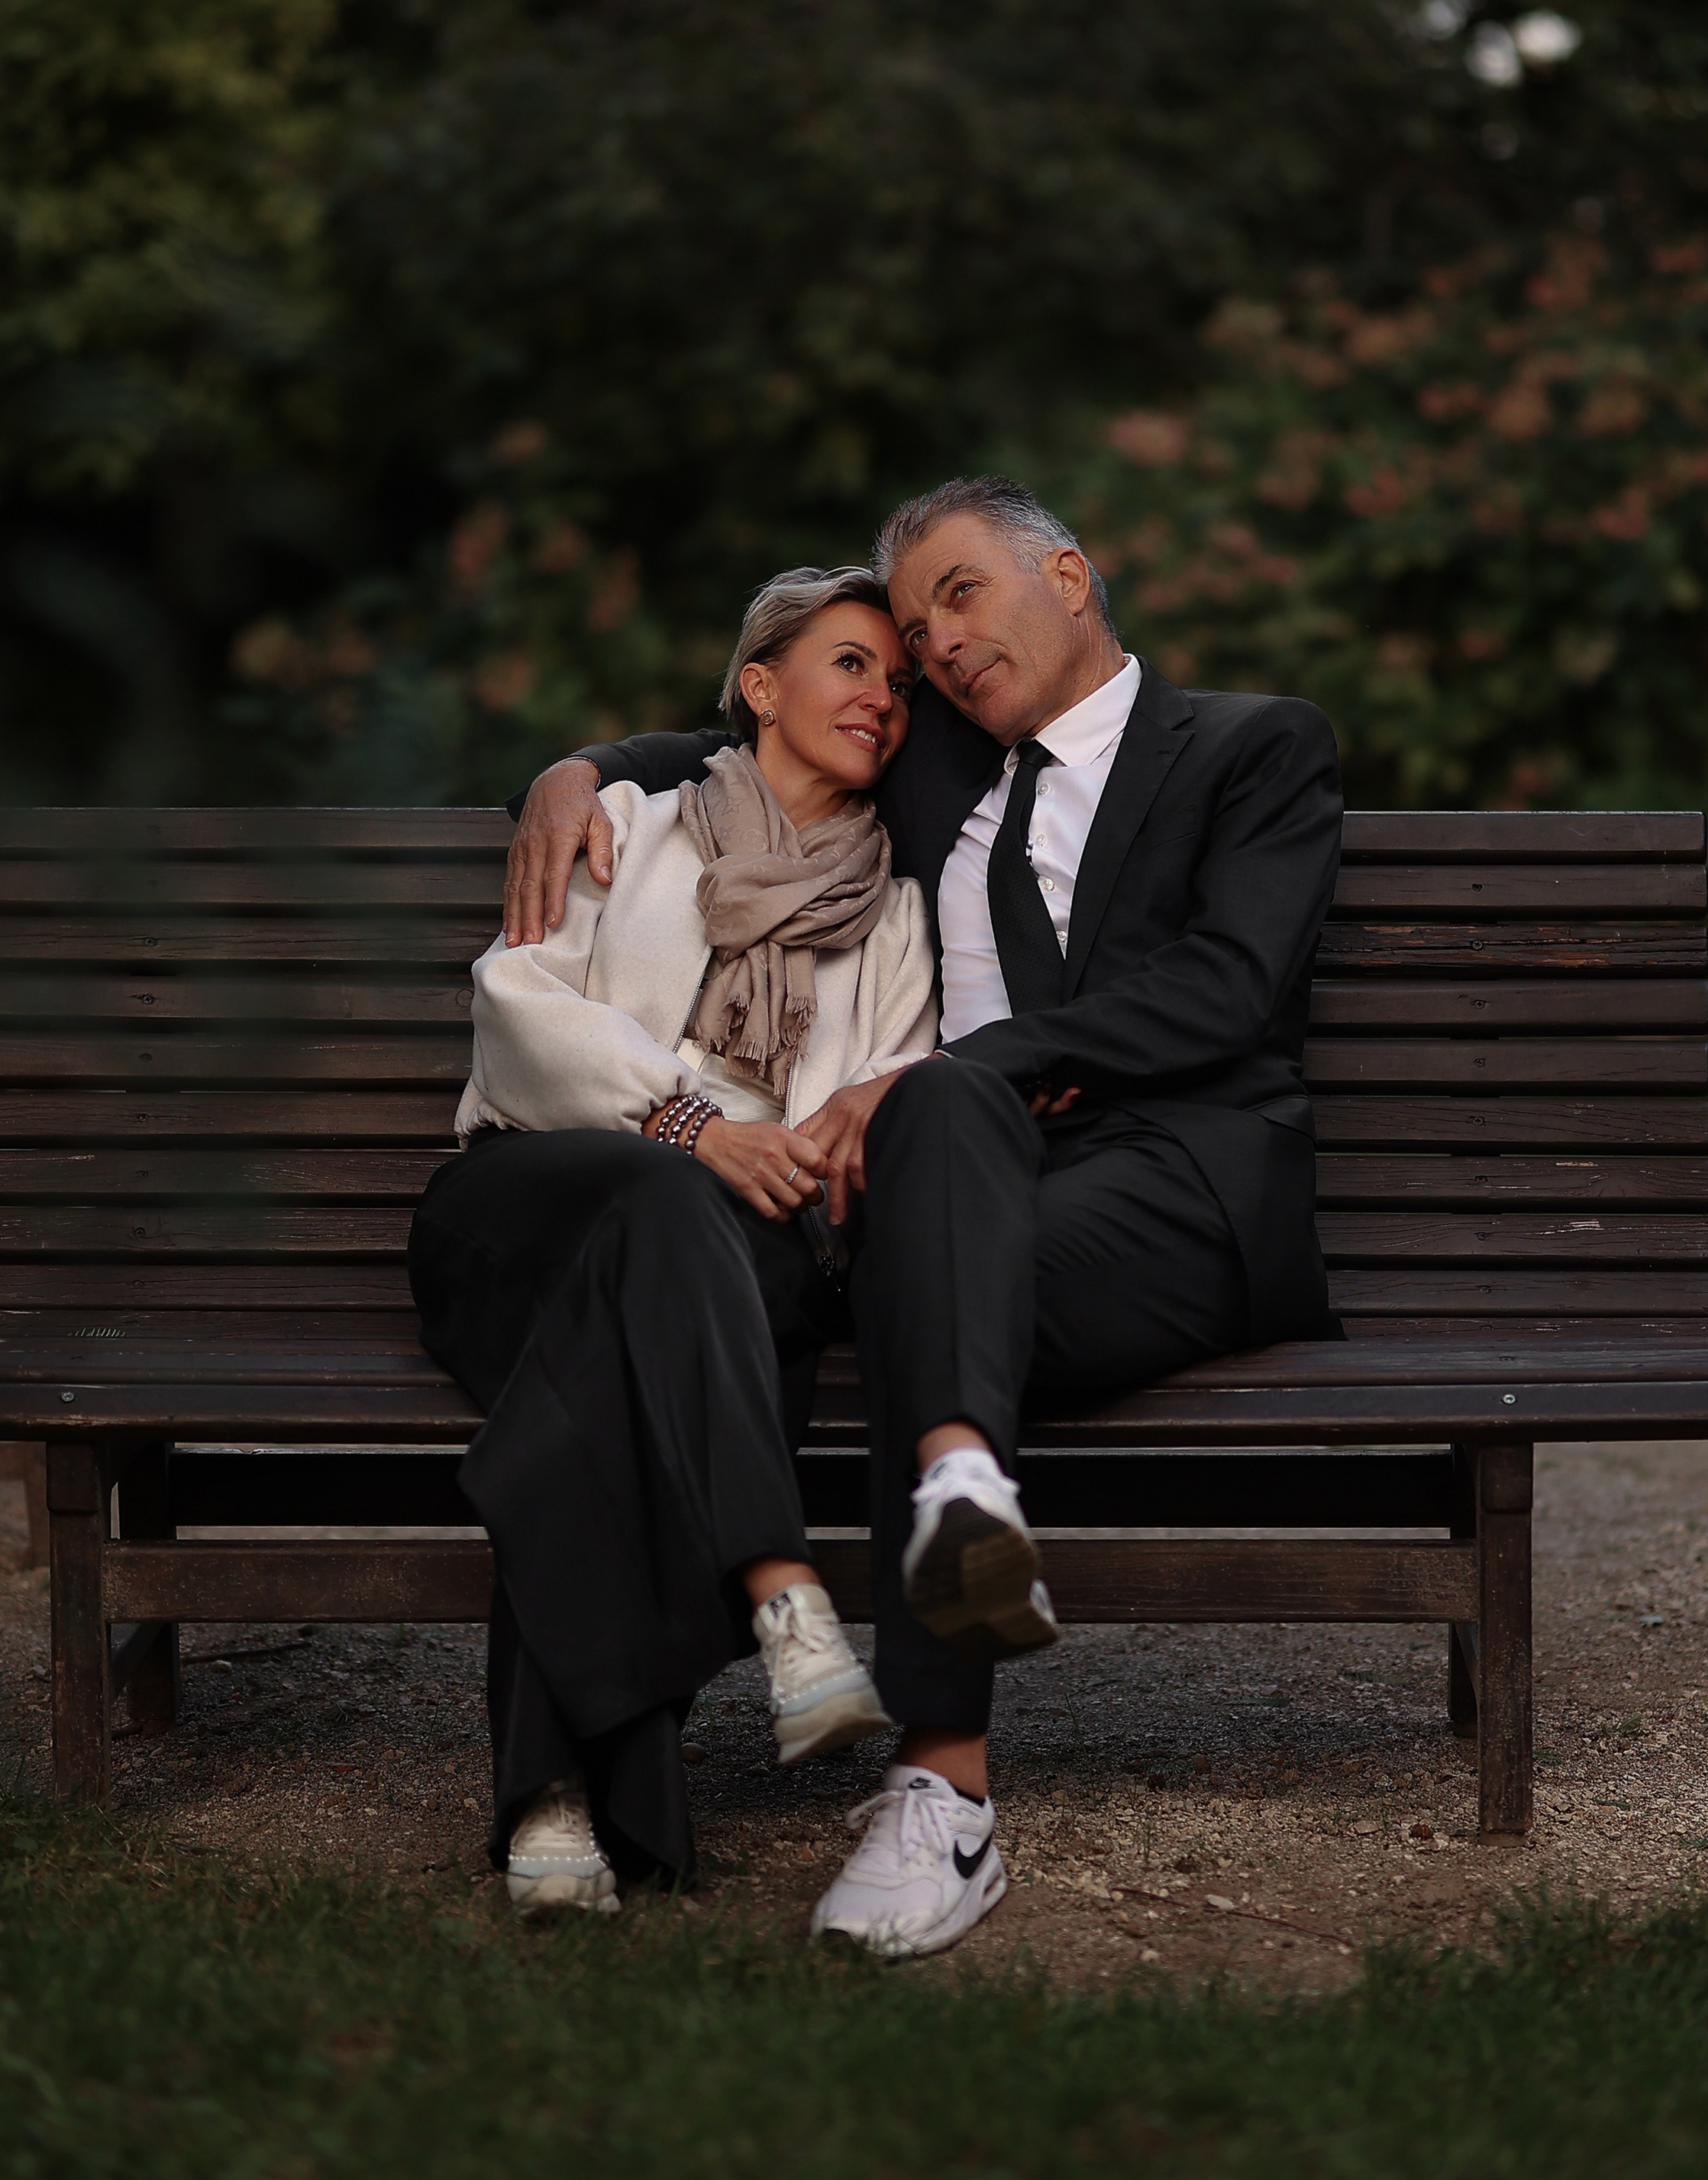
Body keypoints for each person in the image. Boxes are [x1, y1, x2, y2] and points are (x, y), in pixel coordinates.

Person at [504, 479, 1343, 1956]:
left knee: (941, 1103)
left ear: (1069, 576)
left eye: (960, 595)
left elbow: (1233, 983)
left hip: (1170, 1199)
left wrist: (971, 1070)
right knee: (667, 1272)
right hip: (941, 1209)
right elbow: (743, 737)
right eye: (908, 629)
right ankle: (579, 1764)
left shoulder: (1251, 746)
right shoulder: (942, 764)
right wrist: (574, 768)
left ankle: (943, 1794)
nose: (935, 648)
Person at [411, 567, 937, 1916]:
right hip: (526, 1205)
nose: (882, 697)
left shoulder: (893, 909)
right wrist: (694, 1125)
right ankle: (778, 1582)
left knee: (597, 1370)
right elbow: (516, 1009)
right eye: (849, 664)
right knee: (655, 1202)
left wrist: (759, 1157)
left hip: (739, 1250)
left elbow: (862, 1110)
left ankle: (555, 1796)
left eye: (896, 678)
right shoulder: (633, 828)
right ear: (761, 686)